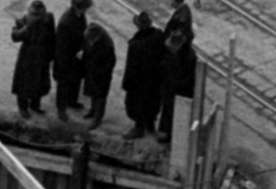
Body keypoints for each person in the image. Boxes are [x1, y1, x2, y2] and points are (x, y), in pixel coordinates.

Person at [121, 10, 167, 139]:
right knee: (152, 103)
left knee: (137, 105)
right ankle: (150, 125)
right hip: (155, 79)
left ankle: (139, 128)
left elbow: (131, 67)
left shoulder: (136, 45)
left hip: (139, 82)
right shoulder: (158, 34)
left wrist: (127, 84)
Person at [10, 0, 56, 119]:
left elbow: (52, 36)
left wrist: (51, 54)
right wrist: (26, 29)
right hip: (27, 56)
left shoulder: (48, 18)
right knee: (24, 84)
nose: (36, 17)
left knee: (40, 82)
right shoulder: (25, 20)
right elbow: (15, 36)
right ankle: (23, 107)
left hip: (42, 55)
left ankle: (35, 104)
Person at [54, 0, 93, 120]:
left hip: (76, 55)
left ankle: (72, 100)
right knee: (64, 84)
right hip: (66, 58)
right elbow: (62, 46)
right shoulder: (65, 22)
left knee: (76, 80)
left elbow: (82, 32)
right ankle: (61, 109)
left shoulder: (80, 15)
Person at [158, 27, 198, 144]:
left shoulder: (189, 57)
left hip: (180, 92)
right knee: (168, 112)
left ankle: (173, 136)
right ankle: (167, 133)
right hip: (170, 89)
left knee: (177, 115)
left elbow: (188, 79)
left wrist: (173, 84)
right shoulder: (176, 54)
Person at [82, 21, 117, 129]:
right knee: (93, 92)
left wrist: (99, 72)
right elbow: (87, 48)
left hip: (102, 75)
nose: (89, 41)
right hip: (92, 70)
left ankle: (97, 118)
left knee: (100, 96)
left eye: (91, 39)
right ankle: (93, 110)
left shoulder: (107, 46)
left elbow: (110, 63)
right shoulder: (90, 35)